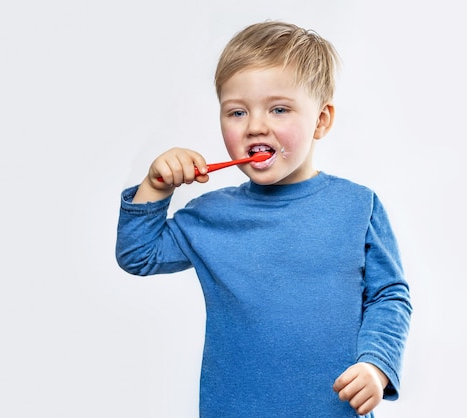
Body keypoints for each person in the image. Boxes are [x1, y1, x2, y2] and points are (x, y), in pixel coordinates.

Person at [115, 20, 412, 417]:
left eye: (279, 109)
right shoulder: (210, 216)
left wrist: (376, 366)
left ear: (321, 120)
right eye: (237, 112)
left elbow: (388, 295)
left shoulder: (358, 205)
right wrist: (156, 186)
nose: (255, 125)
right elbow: (138, 255)